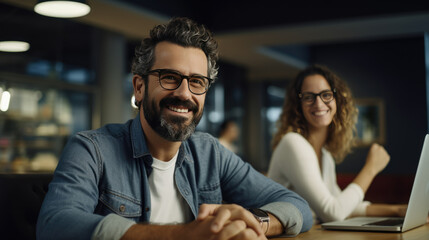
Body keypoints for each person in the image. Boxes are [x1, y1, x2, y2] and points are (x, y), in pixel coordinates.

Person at [36, 17, 313, 240]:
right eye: (170, 77)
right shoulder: (92, 149)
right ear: (140, 87)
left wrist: (251, 224)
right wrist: (184, 234)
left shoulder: (210, 153)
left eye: (197, 82)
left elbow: (298, 206)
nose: (184, 93)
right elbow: (54, 225)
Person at [267, 64, 407, 224]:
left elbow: (345, 206)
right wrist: (371, 169)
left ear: (337, 100)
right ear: (298, 106)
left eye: (326, 95)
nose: (319, 104)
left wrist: (399, 210)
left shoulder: (326, 156)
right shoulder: (292, 143)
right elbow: (333, 212)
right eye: (308, 97)